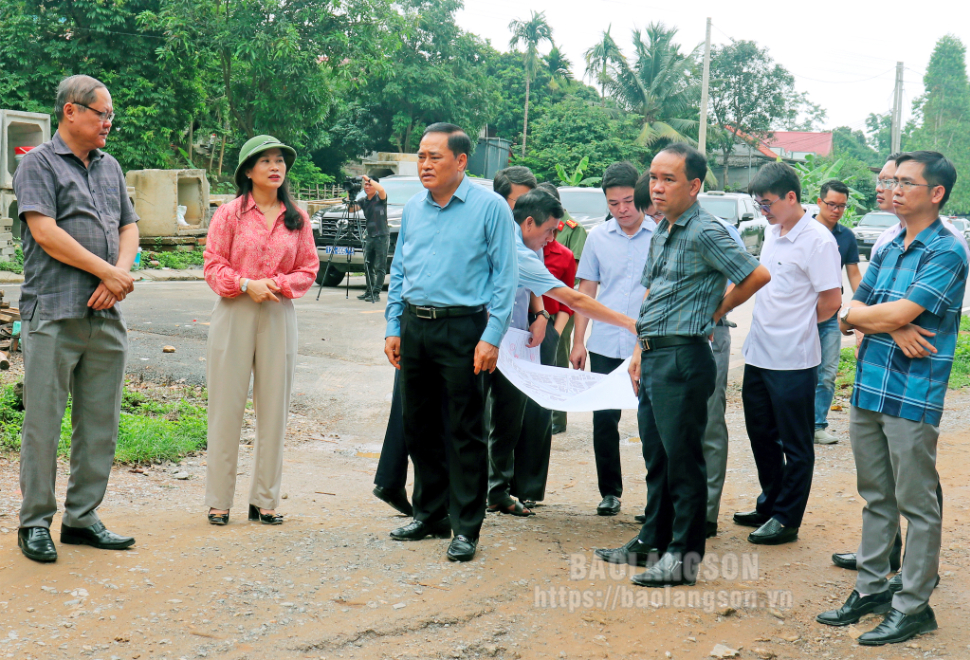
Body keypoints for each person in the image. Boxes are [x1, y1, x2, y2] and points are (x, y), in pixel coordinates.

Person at [597, 143, 769, 587]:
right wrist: (638, 350)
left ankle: (684, 558)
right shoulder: (664, 230)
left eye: (668, 179)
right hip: (655, 354)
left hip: (685, 357)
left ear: (694, 186)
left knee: (684, 460)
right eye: (654, 177)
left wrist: (714, 312)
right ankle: (651, 540)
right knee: (658, 456)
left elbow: (756, 274)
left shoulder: (705, 230)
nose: (656, 187)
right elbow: (651, 294)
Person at [818, 151, 966, 646]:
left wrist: (883, 317)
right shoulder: (888, 243)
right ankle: (871, 588)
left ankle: (913, 604)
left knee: (916, 504)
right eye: (893, 181)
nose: (895, 188)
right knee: (876, 496)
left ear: (936, 193)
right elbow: (847, 308)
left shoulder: (946, 251)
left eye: (907, 182)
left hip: (912, 393)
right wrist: (894, 323)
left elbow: (878, 310)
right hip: (869, 385)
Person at [13, 75, 139, 563]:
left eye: (110, 115)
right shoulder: (37, 165)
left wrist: (119, 276)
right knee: (43, 423)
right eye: (102, 114)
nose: (109, 123)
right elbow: (45, 233)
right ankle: (35, 523)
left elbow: (128, 225)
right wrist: (108, 272)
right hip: (55, 310)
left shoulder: (110, 167)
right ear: (71, 111)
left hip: (107, 314)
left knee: (101, 421)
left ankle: (83, 518)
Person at [384, 123, 518, 563]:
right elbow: (400, 268)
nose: (424, 165)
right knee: (419, 425)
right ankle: (430, 513)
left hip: (464, 329)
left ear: (461, 162)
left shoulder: (489, 207)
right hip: (416, 326)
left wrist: (491, 336)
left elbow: (505, 276)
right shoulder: (415, 209)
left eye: (434, 157)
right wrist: (393, 326)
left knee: (463, 430)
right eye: (421, 156)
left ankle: (465, 527)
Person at [203, 135, 319, 526]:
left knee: (274, 409)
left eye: (280, 161)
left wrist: (279, 285)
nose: (275, 166)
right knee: (225, 407)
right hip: (235, 310)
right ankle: (219, 501)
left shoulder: (297, 218)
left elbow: (309, 268)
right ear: (248, 171)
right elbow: (212, 263)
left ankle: (264, 500)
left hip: (277, 314)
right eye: (266, 160)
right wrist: (243, 283)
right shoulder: (229, 214)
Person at [733, 163, 842, 546]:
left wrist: (797, 326)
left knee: (796, 443)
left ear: (791, 197)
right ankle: (770, 503)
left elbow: (831, 301)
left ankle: (787, 518)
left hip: (794, 359)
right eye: (759, 204)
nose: (763, 210)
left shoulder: (818, 240)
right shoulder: (771, 231)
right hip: (759, 352)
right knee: (760, 433)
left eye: (767, 203)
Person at [569, 162, 655, 517]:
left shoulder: (661, 234)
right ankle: (610, 492)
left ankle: (658, 496)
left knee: (653, 422)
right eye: (613, 203)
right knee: (605, 420)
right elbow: (586, 290)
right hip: (605, 343)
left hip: (649, 345)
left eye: (628, 201)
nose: (622, 210)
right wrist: (578, 341)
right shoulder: (597, 238)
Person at [509, 216, 576, 509]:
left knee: (538, 412)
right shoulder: (510, 245)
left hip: (543, 332)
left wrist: (553, 335)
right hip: (513, 332)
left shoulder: (563, 255)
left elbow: (568, 301)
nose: (550, 235)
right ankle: (499, 483)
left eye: (553, 229)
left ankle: (529, 488)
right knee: (505, 410)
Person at [813, 180, 862, 445]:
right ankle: (793, 425)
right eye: (832, 204)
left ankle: (818, 425)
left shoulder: (846, 236)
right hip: (800, 316)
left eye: (842, 206)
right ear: (820, 202)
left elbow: (854, 274)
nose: (837, 210)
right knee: (797, 371)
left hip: (830, 316)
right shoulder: (803, 230)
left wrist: (865, 308)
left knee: (827, 372)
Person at [542, 182, 587, 435]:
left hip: (563, 303)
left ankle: (557, 418)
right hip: (539, 302)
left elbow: (575, 272)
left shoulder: (572, 229)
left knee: (558, 356)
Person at [358, 175, 388, 303]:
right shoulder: (363, 201)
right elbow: (350, 209)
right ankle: (369, 291)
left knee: (380, 266)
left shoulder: (380, 199)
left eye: (369, 184)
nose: (367, 186)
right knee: (368, 265)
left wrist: (369, 179)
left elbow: (381, 190)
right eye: (365, 184)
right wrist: (350, 193)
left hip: (381, 235)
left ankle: (376, 293)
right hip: (369, 236)